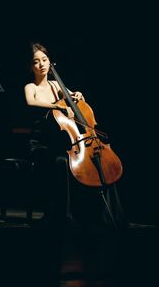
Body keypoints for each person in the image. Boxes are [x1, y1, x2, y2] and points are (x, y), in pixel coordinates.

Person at [24, 42, 128, 229]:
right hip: (42, 142)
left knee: (100, 164)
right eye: (36, 62)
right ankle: (66, 215)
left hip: (62, 139)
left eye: (45, 60)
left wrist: (78, 95)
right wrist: (58, 106)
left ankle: (102, 214)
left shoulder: (56, 85)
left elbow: (75, 99)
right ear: (30, 67)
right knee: (63, 163)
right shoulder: (31, 87)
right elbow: (31, 102)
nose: (42, 64)